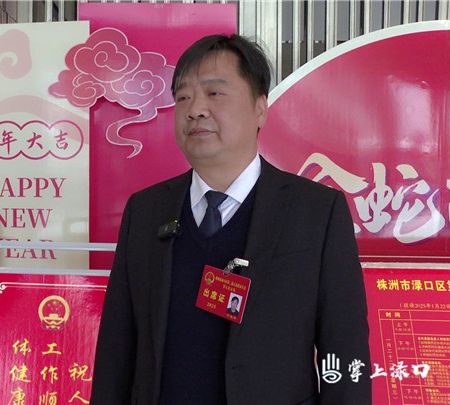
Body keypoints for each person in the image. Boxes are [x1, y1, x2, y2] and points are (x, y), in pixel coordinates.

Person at [91, 33, 371, 404]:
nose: (195, 109)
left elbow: (345, 348)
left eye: (214, 93)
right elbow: (116, 349)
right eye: (183, 97)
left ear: (260, 108)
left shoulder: (316, 212)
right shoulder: (145, 211)